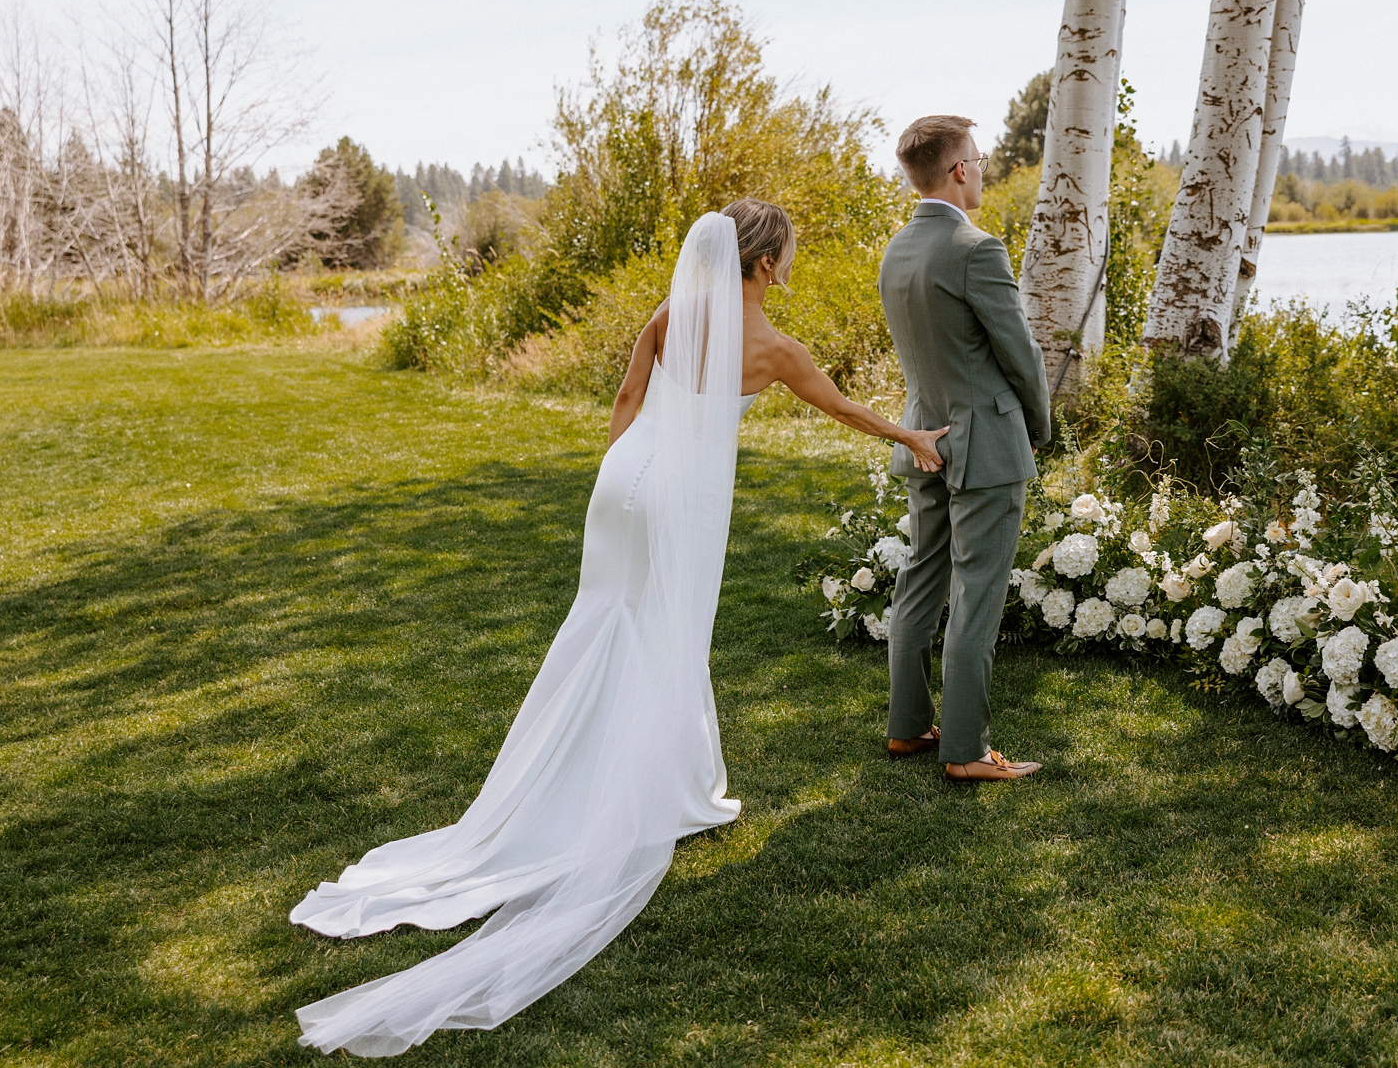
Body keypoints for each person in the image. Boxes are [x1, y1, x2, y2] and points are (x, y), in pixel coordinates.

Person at [290, 201, 946, 1056]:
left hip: (624, 479)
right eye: (785, 253)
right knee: (662, 635)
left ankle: (648, 774)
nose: (791, 262)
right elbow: (848, 412)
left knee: (602, 624)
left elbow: (629, 396)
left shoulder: (674, 313)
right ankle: (646, 790)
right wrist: (911, 436)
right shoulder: (776, 350)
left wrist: (620, 475)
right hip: (680, 495)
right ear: (760, 265)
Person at [878, 115, 1052, 782]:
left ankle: (908, 727)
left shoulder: (898, 249)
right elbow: (1020, 354)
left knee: (920, 577)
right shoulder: (977, 249)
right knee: (977, 595)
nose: (980, 170)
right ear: (958, 170)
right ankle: (968, 752)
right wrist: (1036, 425)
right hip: (984, 445)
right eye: (977, 160)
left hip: (924, 435)